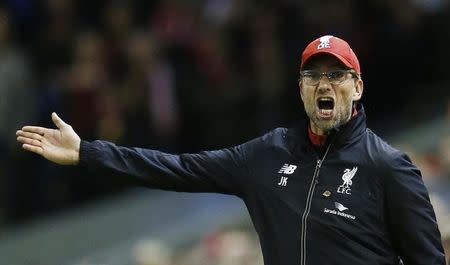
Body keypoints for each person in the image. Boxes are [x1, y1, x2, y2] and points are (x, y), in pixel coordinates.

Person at [16, 35, 446, 265]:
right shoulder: (269, 155)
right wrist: (87, 152)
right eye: (314, 77)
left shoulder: (388, 167)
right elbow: (178, 168)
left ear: (358, 87)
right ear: (301, 90)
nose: (325, 84)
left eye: (338, 75)